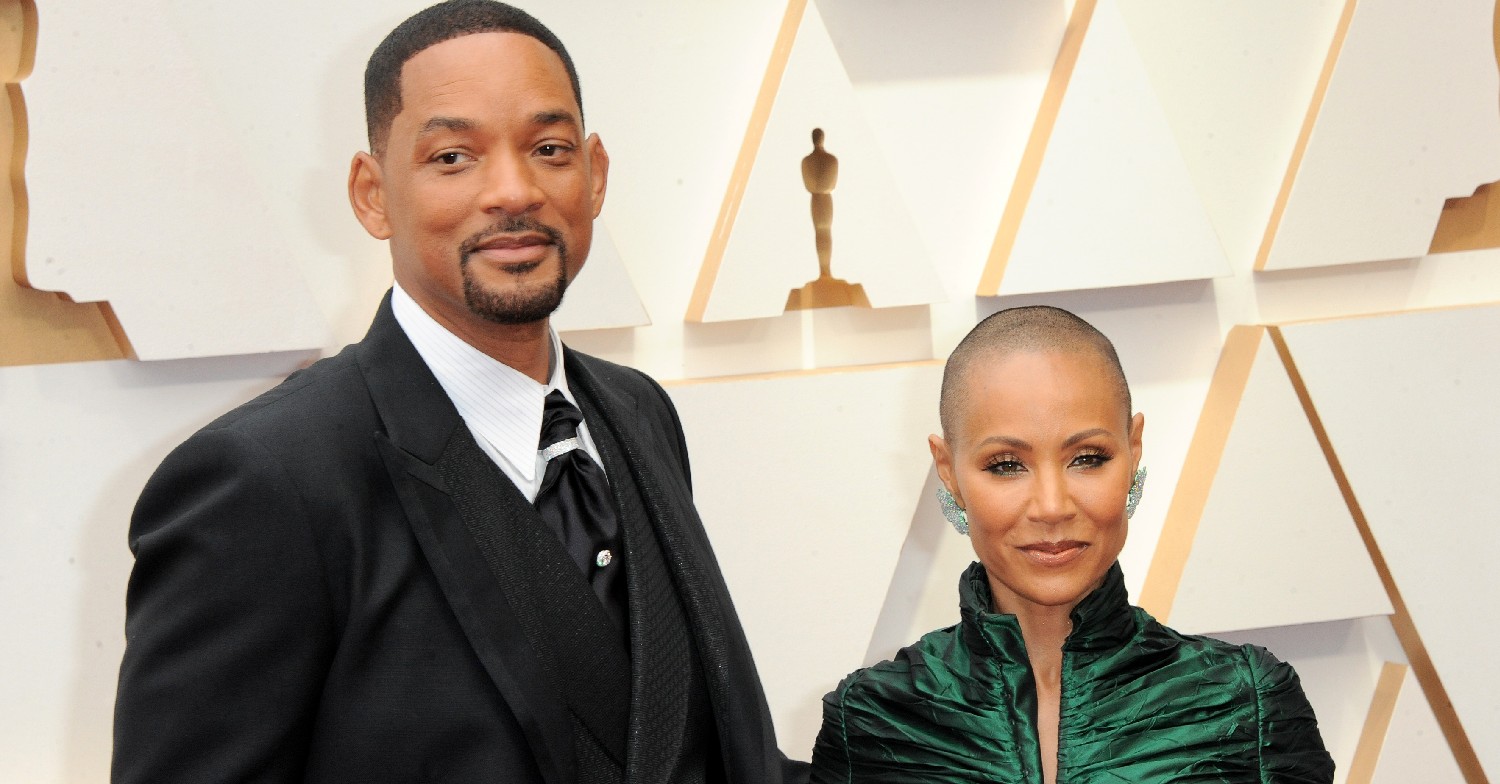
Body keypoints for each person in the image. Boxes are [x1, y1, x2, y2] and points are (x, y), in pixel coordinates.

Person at [112, 3, 808, 783]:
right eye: (453, 157)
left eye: (549, 149)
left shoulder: (640, 412)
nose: (513, 191)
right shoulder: (264, 480)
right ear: (372, 194)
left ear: (595, 172)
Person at [810, 307, 1334, 783]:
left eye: (1087, 458)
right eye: (1006, 465)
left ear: (1134, 451)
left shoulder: (1247, 703)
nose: (1052, 505)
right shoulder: (872, 720)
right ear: (949, 473)